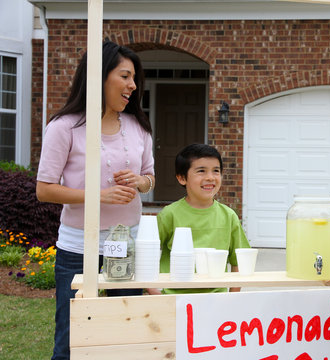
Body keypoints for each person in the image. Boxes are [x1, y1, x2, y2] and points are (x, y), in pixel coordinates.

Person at [36, 41, 155, 360]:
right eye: (125, 76)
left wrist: (140, 181)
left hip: (125, 245)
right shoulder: (64, 128)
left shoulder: (138, 127)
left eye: (134, 79)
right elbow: (45, 189)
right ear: (100, 76)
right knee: (71, 337)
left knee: (123, 333)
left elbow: (149, 177)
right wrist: (99, 196)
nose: (133, 85)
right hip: (79, 247)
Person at [147, 143, 250, 295]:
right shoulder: (169, 214)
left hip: (216, 298)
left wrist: (232, 297)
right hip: (174, 298)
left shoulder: (229, 216)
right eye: (201, 171)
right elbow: (147, 253)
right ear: (182, 178)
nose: (210, 177)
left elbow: (238, 260)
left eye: (216, 171)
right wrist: (153, 290)